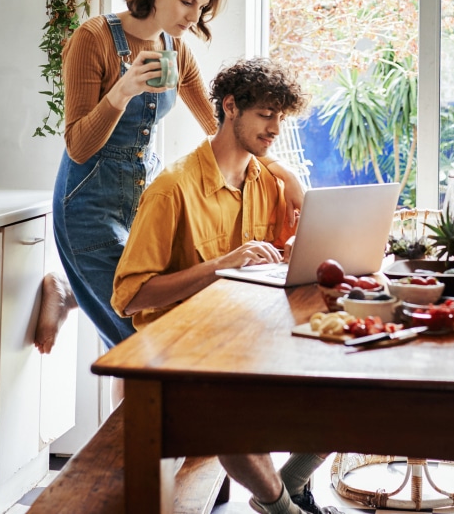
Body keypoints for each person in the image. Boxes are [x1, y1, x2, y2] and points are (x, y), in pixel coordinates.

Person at [42, 0, 305, 353]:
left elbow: (221, 124)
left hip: (142, 197)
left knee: (157, 320)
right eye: (187, 2)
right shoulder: (92, 39)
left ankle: (69, 289)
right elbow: (78, 146)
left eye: (200, 8)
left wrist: (282, 173)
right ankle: (68, 286)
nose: (192, 17)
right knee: (143, 342)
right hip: (88, 204)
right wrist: (123, 91)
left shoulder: (174, 47)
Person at [111, 59, 338, 514]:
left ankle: (290, 485)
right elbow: (129, 298)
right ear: (230, 107)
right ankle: (283, 509)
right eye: (266, 115)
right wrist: (219, 265)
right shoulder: (171, 189)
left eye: (281, 117)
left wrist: (300, 249)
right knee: (227, 412)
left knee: (356, 379)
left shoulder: (267, 181)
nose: (275, 129)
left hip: (249, 335)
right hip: (182, 349)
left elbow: (277, 258)